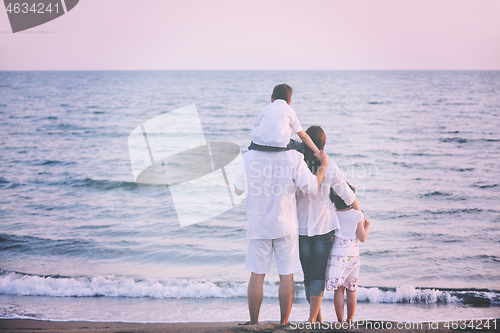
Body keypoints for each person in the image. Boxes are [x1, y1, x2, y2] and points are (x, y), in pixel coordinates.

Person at [234, 143, 330, 326]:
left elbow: (238, 190)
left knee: (257, 274)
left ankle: (254, 322)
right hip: (285, 225)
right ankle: (284, 322)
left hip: (258, 225)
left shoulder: (249, 157)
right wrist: (324, 164)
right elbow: (311, 187)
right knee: (286, 274)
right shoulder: (293, 157)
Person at [296, 126, 362, 323]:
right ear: (323, 145)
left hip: (301, 229)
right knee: (317, 276)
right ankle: (313, 319)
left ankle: (316, 318)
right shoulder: (329, 166)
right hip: (324, 229)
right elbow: (346, 194)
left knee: (308, 276)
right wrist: (360, 214)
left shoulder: (298, 165)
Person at [325, 184, 370, 323]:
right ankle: (350, 320)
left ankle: (340, 321)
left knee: (338, 290)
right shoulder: (357, 214)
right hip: (352, 256)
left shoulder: (332, 213)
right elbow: (362, 238)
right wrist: (367, 225)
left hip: (336, 255)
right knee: (351, 289)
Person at [248, 84, 320, 155]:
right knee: (300, 146)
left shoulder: (266, 108)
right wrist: (317, 151)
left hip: (257, 145)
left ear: (271, 99)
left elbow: (256, 124)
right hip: (279, 146)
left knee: (251, 144)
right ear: (289, 102)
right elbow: (303, 136)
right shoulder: (289, 110)